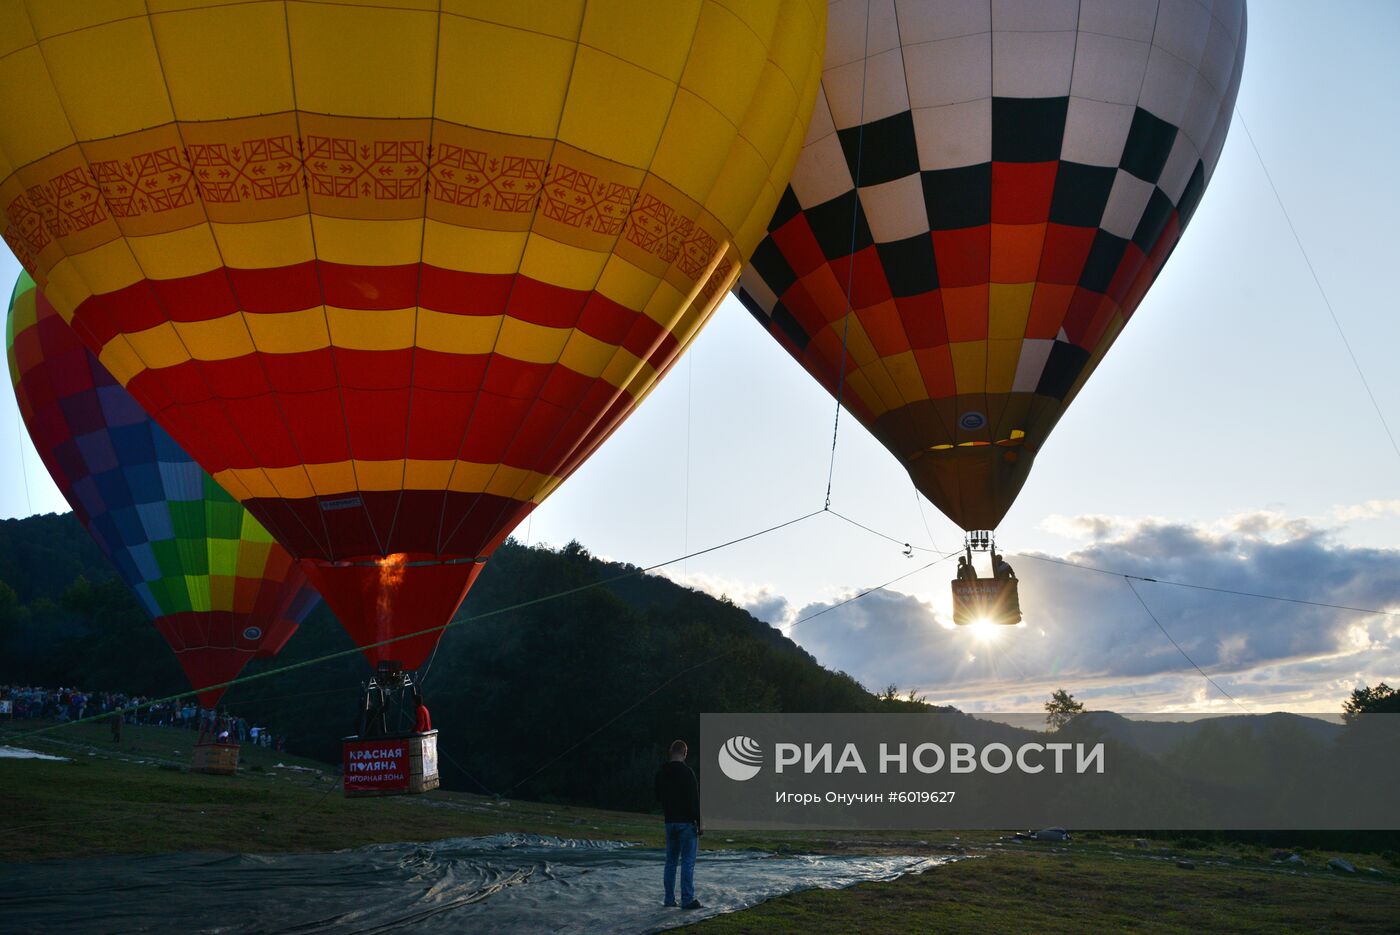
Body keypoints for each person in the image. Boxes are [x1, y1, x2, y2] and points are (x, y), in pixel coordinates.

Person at [654, 739, 702, 910]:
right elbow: (694, 800)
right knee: (688, 862)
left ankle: (669, 899)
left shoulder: (661, 772)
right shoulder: (688, 773)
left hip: (670, 822)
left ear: (670, 752)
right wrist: (699, 822)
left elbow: (658, 797)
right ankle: (687, 899)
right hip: (686, 823)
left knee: (671, 862)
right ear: (684, 753)